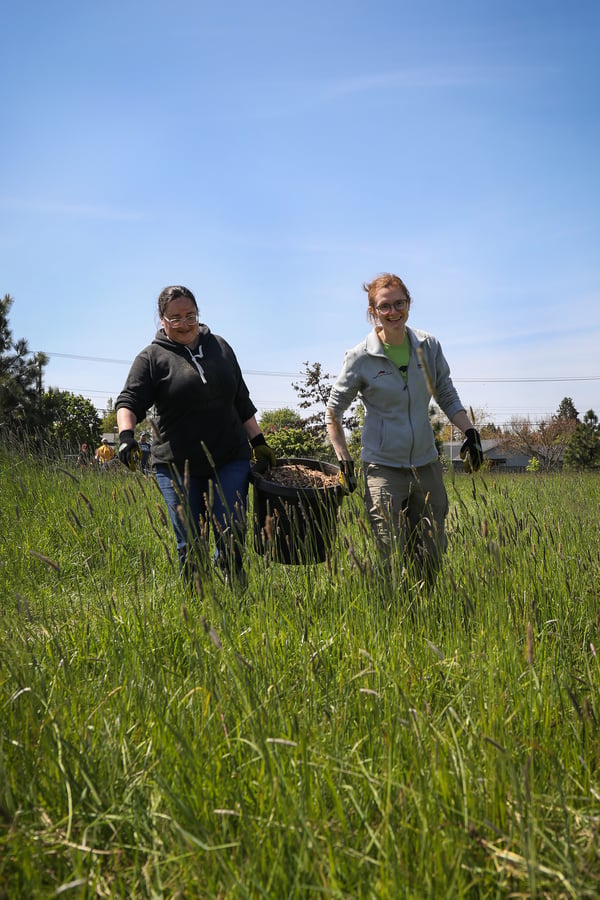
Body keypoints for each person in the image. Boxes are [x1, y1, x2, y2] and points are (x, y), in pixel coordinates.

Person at [326, 272, 483, 588]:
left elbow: (446, 394)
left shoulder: (428, 347)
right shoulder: (359, 357)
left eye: (399, 303)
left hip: (425, 465)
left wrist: (470, 433)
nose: (393, 312)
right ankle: (392, 614)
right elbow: (333, 413)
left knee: (432, 551)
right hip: (382, 468)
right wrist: (344, 459)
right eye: (384, 306)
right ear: (373, 312)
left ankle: (425, 610)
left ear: (409, 304)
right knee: (389, 553)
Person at [115, 285, 276, 587]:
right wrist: (126, 436)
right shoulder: (151, 357)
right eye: (175, 318)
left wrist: (258, 441)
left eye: (190, 315)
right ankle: (197, 606)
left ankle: (235, 588)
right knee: (189, 538)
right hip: (178, 465)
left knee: (232, 529)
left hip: (229, 455)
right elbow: (128, 401)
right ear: (162, 320)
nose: (185, 324)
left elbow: (241, 400)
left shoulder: (220, 347)